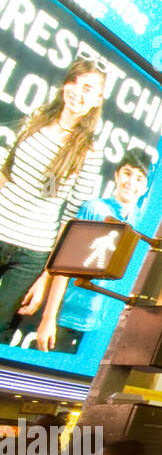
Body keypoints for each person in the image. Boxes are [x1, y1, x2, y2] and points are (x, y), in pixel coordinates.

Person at [0, 59, 105, 335]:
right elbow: (5, 174)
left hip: (31, 255)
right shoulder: (35, 119)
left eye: (87, 88)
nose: (77, 92)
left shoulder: (89, 152)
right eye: (74, 82)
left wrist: (45, 277)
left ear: (97, 99)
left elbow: (68, 222)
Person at [21, 149, 152, 353]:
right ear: (117, 175)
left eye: (139, 178)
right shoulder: (94, 209)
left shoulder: (143, 223)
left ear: (145, 187)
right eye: (127, 173)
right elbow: (66, 264)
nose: (131, 183)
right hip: (68, 316)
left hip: (103, 324)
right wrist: (49, 317)